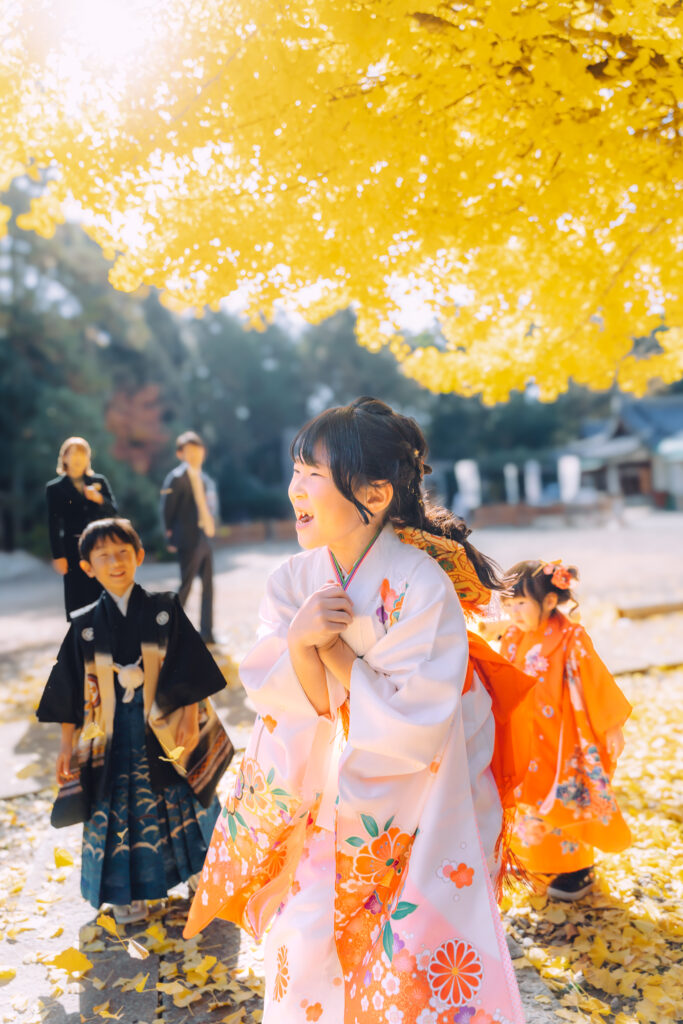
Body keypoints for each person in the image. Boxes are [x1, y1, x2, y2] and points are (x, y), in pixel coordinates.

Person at [184, 397, 527, 1023]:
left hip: (416, 813)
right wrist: (296, 642)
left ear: (374, 491)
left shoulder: (421, 586)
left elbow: (413, 731)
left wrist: (333, 650)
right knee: (304, 938)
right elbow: (287, 706)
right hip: (323, 802)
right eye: (295, 471)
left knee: (403, 963)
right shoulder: (292, 580)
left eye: (313, 474)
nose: (296, 489)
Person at [37, 518, 233, 925]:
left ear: (139, 556)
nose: (115, 562)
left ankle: (202, 875)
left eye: (123, 552)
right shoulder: (85, 626)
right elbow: (70, 691)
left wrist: (191, 723)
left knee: (184, 797)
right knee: (117, 808)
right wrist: (65, 745)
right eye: (103, 556)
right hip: (110, 736)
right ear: (87, 567)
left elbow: (191, 669)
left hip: (166, 727)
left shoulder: (164, 609)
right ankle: (126, 893)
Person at [500, 559, 632, 901]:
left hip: (562, 737)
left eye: (521, 604)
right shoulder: (514, 636)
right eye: (509, 604)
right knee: (528, 796)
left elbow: (595, 682)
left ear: (547, 602)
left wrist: (611, 726)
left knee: (565, 799)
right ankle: (534, 860)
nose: (514, 612)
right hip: (524, 733)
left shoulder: (572, 637)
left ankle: (576, 869)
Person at [46, 436, 118, 618]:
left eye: (83, 453)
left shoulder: (99, 481)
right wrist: (58, 556)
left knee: (103, 589)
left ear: (88, 458)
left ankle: (106, 632)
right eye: (74, 453)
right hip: (72, 549)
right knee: (77, 594)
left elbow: (114, 511)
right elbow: (53, 523)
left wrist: (100, 499)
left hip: (101, 544)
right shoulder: (55, 488)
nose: (78, 457)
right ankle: (81, 637)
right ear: (64, 458)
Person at [160, 431, 218, 643]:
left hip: (205, 536)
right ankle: (171, 631)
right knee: (186, 585)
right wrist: (171, 538)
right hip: (187, 538)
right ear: (180, 454)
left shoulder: (203, 478)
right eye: (189, 451)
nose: (194, 454)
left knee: (209, 586)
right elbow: (168, 510)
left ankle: (207, 632)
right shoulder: (176, 478)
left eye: (198, 450)